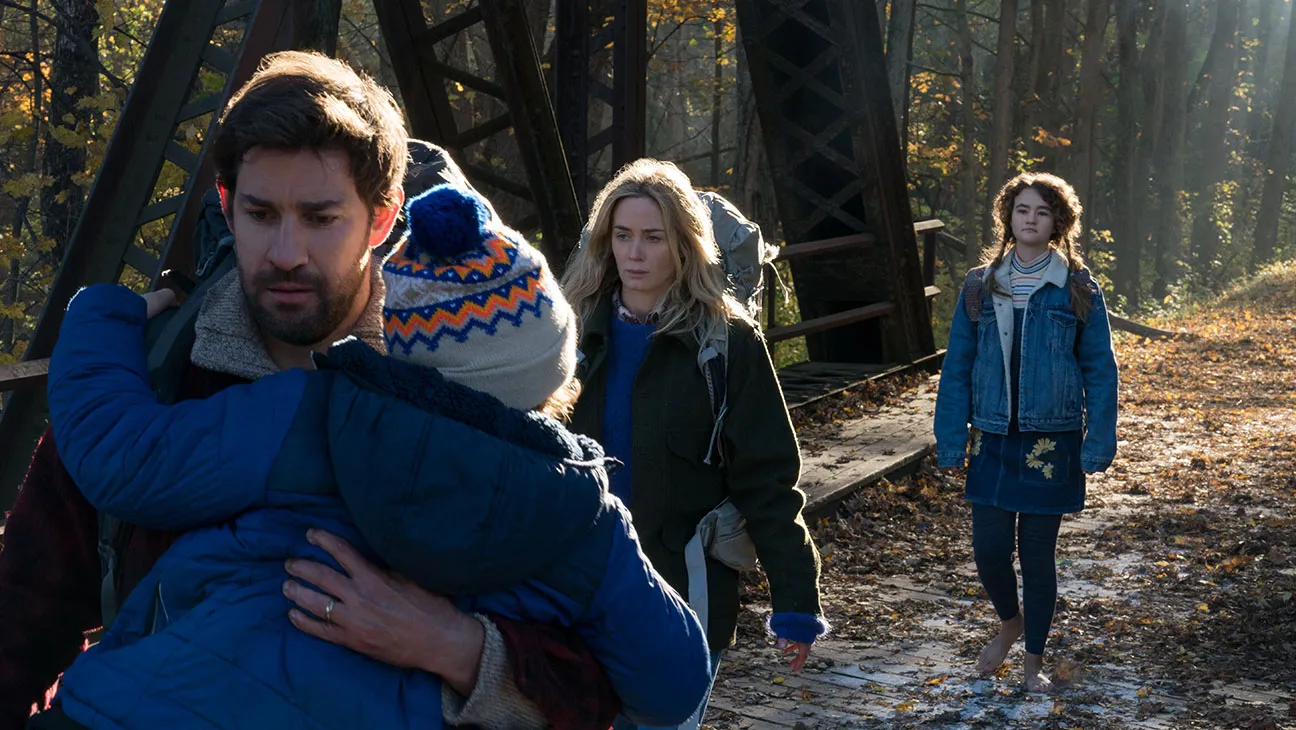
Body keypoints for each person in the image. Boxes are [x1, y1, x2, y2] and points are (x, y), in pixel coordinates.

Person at [3, 51, 620, 730]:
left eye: (321, 218)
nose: (287, 252)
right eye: (261, 214)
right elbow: (23, 614)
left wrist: (457, 647)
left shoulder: (469, 383)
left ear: (381, 220)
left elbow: (598, 677)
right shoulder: (150, 379)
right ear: (226, 207)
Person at [42, 179, 711, 728]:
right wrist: (471, 648)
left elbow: (121, 455)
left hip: (132, 706)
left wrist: (100, 313)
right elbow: (677, 686)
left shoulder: (309, 411)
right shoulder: (585, 519)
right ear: (555, 370)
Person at [561, 159, 828, 730]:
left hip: (683, 596)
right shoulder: (567, 333)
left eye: (653, 238)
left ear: (684, 246)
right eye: (622, 236)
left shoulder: (726, 342)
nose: (634, 253)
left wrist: (796, 600)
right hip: (577, 592)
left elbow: (767, 479)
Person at [933, 172, 1119, 692]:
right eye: (1021, 210)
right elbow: (957, 365)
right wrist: (951, 437)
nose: (1030, 219)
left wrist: (1098, 440)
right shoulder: (980, 284)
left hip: (1051, 442)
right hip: (992, 436)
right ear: (1007, 218)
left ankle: (1033, 663)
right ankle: (1009, 623)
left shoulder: (1078, 287)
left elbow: (1101, 370)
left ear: (1058, 222)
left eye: (1041, 211)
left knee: (1037, 556)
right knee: (989, 549)